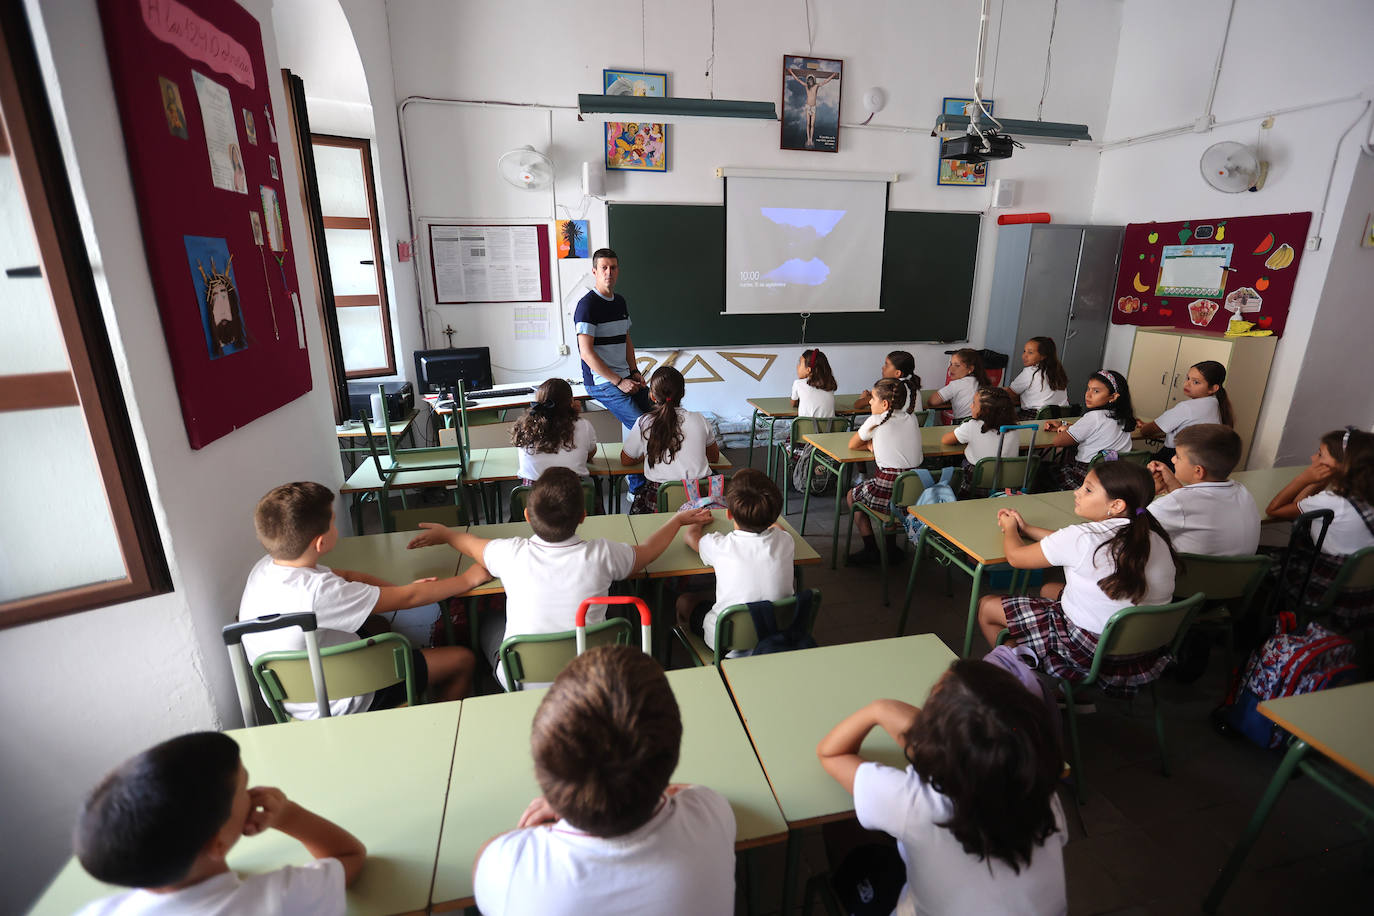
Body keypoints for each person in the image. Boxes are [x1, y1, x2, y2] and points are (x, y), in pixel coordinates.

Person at [472, 646, 736, 915]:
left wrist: (572, 799)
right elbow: (688, 790)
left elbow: (484, 855)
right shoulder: (711, 814)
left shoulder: (508, 872)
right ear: (673, 755)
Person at [408, 467, 712, 687]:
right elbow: (646, 552)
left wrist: (447, 534)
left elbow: (472, 546)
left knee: (488, 620)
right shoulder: (602, 553)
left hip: (523, 677)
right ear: (583, 516)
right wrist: (676, 520)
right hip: (589, 673)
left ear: (527, 517)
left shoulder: (510, 553)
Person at [816, 661, 1067, 916]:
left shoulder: (914, 804)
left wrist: (879, 709)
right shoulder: (1041, 792)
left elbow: (830, 754)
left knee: (839, 823)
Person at [238, 482, 484, 718]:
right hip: (344, 698)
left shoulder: (265, 568)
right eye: (333, 522)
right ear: (321, 542)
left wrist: (397, 590)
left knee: (379, 625)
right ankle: (442, 727)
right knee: (462, 660)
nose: (337, 526)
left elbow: (347, 576)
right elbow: (410, 598)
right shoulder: (320, 592)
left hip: (288, 698)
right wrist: (467, 579)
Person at [73, 732, 364, 916]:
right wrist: (288, 815)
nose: (251, 793)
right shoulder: (280, 898)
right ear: (218, 843)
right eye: (245, 787)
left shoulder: (96, 911)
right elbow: (348, 856)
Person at [977, 461, 1180, 694]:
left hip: (1086, 650)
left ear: (1116, 505)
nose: (1077, 492)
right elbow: (1070, 543)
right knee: (1049, 589)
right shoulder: (1151, 535)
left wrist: (1010, 527)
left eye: (1088, 489)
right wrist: (1028, 528)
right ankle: (1066, 691)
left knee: (987, 607)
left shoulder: (1081, 539)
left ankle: (1023, 685)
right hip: (1144, 651)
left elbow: (1015, 557)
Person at [675, 468, 795, 653]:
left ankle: (694, 655)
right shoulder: (786, 540)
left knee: (684, 600)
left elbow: (690, 537)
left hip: (725, 642)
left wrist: (698, 521)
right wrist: (766, 517)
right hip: (777, 633)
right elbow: (779, 528)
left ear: (728, 513)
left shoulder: (721, 547)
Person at [1265, 427, 1374, 628]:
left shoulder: (1332, 501)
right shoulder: (1365, 496)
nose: (1313, 457)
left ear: (1342, 466)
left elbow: (1275, 509)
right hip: (1366, 595)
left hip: (1331, 592)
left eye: (1320, 454)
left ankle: (1276, 627)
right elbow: (1301, 506)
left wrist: (1304, 478)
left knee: (1265, 561)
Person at [575, 248, 650, 492]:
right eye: (604, 268)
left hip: (624, 376)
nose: (609, 272)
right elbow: (586, 353)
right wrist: (619, 381)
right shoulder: (586, 306)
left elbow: (626, 339)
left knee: (660, 417)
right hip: (602, 382)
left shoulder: (620, 301)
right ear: (595, 271)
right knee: (642, 424)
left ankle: (655, 476)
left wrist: (634, 371)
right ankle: (637, 487)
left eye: (613, 267)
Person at [1146, 424, 1260, 556]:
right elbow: (1193, 506)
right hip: (1237, 575)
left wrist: (1148, 491)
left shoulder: (1174, 504)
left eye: (1177, 456)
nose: (1173, 459)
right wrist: (1173, 485)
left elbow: (1126, 527)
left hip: (1186, 574)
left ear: (1198, 471)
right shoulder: (1243, 492)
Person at [619, 366, 721, 514]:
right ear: (683, 393)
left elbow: (626, 460)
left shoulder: (644, 422)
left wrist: (649, 452)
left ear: (652, 396)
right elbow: (714, 457)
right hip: (698, 500)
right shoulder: (699, 419)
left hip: (659, 498)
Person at [847, 378, 923, 567]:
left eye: (872, 398)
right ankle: (891, 548)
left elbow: (853, 445)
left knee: (852, 496)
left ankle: (871, 549)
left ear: (885, 403)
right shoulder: (911, 417)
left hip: (889, 487)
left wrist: (871, 445)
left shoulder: (875, 420)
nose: (870, 402)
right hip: (917, 491)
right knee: (892, 503)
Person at [1042, 369, 1136, 490]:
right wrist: (1066, 425)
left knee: (1044, 469)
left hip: (1085, 476)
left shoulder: (1094, 416)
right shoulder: (1123, 418)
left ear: (1113, 397)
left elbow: (1058, 442)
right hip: (1113, 477)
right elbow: (1095, 431)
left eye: (1096, 391)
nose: (1088, 394)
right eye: (1088, 389)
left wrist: (1064, 429)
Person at [1137, 360, 1234, 464]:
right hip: (1199, 460)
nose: (1187, 384)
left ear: (1213, 388)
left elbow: (1147, 431)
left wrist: (1145, 427)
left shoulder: (1186, 407)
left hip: (1174, 458)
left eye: (1196, 382)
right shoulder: (1215, 404)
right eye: (1188, 378)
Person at [511, 377, 597, 485]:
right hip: (572, 496)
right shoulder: (583, 425)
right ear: (571, 402)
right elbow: (590, 453)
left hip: (533, 497)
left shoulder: (525, 427)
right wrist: (574, 415)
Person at [942, 386, 1019, 499]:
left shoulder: (972, 426)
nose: (971, 406)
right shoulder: (1015, 428)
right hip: (1006, 483)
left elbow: (945, 440)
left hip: (977, 483)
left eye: (974, 403)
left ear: (985, 410)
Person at [1004, 337, 1070, 420]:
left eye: (1030, 352)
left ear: (1043, 356)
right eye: (1024, 351)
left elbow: (1010, 393)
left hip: (1035, 419)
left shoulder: (1031, 371)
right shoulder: (1058, 372)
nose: (1025, 355)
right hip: (1060, 419)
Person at [928, 348, 991, 421]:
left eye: (957, 365)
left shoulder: (956, 384)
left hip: (964, 425)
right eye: (951, 364)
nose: (951, 369)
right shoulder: (983, 382)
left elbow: (932, 401)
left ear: (970, 369)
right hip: (985, 423)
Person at [852, 350, 921, 414]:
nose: (883, 367)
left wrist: (863, 397)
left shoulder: (887, 388)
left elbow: (857, 405)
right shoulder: (914, 387)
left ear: (897, 373)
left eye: (887, 365)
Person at [786, 67, 838, 148]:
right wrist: (791, 72)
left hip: (813, 107)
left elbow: (825, 81)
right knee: (808, 124)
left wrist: (833, 75)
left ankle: (811, 139)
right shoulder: (806, 86)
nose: (810, 82)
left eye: (811, 80)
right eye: (809, 80)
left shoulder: (816, 86)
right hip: (808, 107)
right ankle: (808, 139)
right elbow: (798, 80)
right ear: (808, 81)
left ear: (813, 81)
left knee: (812, 124)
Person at [791, 347, 838, 418]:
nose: (797, 366)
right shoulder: (829, 384)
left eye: (800, 363)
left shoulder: (798, 383)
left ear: (808, 370)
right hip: (829, 428)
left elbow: (793, 403)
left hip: (805, 428)